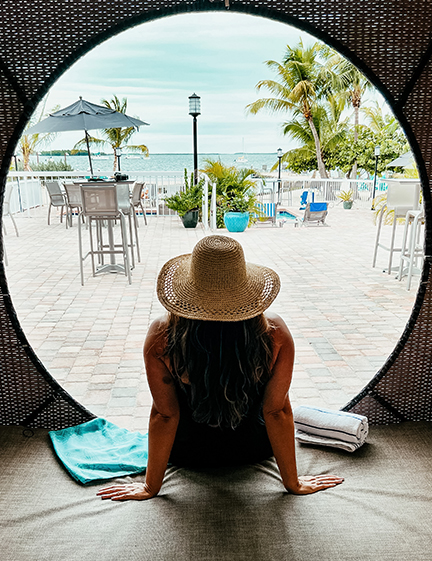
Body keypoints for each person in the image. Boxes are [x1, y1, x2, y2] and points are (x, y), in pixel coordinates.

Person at [98, 235, 343, 501]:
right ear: (245, 288)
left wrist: (150, 487)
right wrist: (292, 483)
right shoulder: (275, 333)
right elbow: (277, 410)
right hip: (254, 450)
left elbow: (164, 415)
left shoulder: (162, 336)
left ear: (188, 291)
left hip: (188, 455)